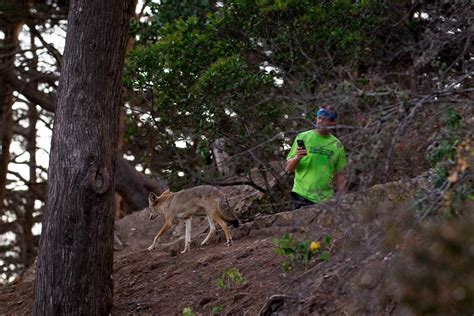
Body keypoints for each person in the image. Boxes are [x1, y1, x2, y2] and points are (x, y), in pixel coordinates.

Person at [286, 106, 348, 209]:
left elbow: (340, 174)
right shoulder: (303, 137)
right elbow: (289, 168)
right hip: (301, 195)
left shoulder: (337, 145)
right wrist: (297, 158)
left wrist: (343, 197)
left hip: (324, 199)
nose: (320, 121)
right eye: (319, 118)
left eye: (324, 119)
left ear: (332, 123)